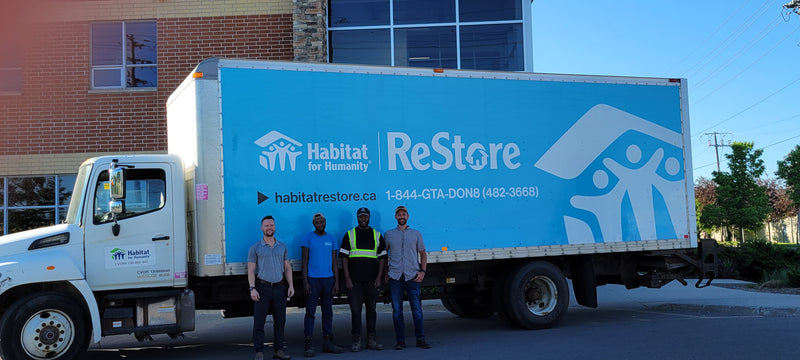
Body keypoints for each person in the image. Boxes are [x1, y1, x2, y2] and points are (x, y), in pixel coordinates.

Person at [339, 207, 387, 352]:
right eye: (361, 217)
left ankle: (371, 340)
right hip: (354, 282)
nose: (363, 219)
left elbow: (382, 258)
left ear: (369, 217)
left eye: (366, 216)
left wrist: (379, 278)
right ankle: (356, 340)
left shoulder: (377, 235)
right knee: (355, 311)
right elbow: (344, 258)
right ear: (357, 218)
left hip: (372, 281)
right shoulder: (350, 234)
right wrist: (347, 278)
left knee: (372, 310)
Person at [248, 215, 295, 360]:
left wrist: (291, 285)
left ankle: (278, 350)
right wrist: (252, 288)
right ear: (262, 228)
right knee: (259, 321)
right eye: (267, 225)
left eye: (272, 225)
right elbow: (250, 270)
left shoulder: (282, 246)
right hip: (263, 287)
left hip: (280, 288)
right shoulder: (255, 248)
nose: (269, 228)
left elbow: (287, 267)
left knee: (280, 320)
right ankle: (259, 352)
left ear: (275, 227)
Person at [385, 205, 431, 350]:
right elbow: (384, 255)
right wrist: (387, 272)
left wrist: (422, 271)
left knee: (416, 310)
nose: (401, 216)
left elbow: (423, 254)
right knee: (397, 310)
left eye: (404, 214)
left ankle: (421, 339)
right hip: (395, 277)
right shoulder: (389, 235)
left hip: (412, 276)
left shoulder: (416, 234)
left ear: (408, 216)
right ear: (395, 217)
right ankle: (400, 341)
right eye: (399, 214)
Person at [301, 213, 344, 357]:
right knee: (310, 312)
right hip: (313, 280)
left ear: (325, 222)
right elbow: (304, 262)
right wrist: (305, 281)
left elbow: (334, 262)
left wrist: (337, 281)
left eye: (321, 222)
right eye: (316, 222)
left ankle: (328, 341)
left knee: (328, 312)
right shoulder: (308, 238)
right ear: (313, 224)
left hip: (328, 280)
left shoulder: (331, 238)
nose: (319, 224)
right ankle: (308, 343)